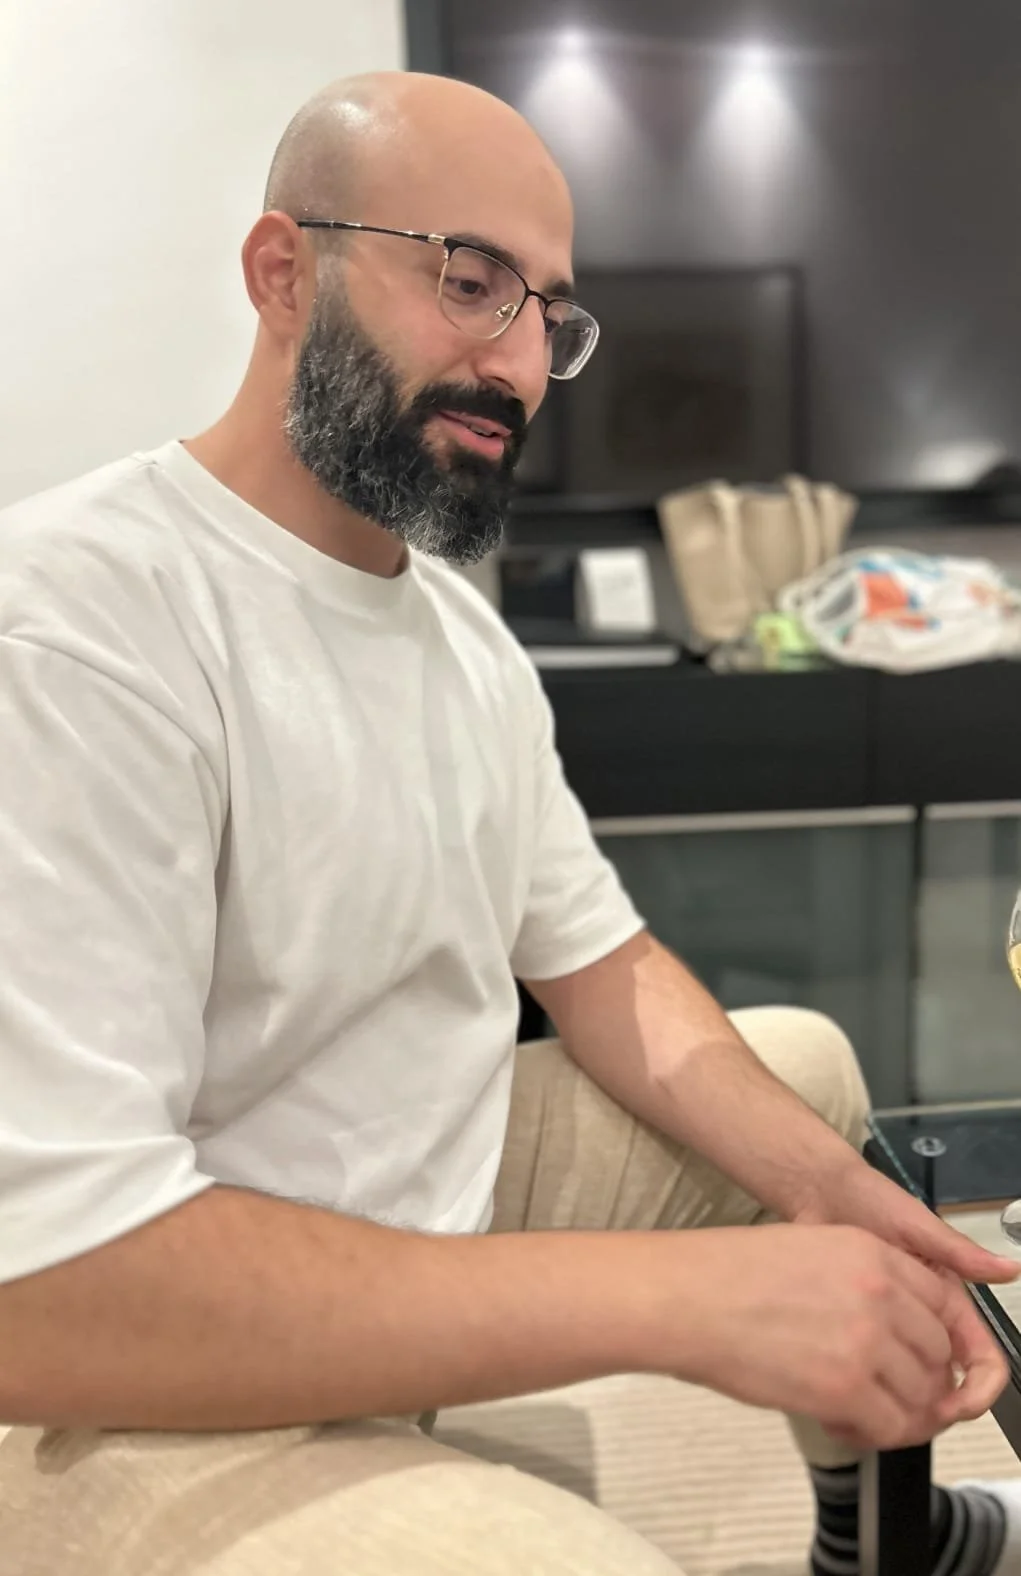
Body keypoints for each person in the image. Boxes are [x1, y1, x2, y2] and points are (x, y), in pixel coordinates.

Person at [0, 69, 1018, 1576]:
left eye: (550, 312)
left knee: (798, 1080)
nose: (524, 365)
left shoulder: (464, 645)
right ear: (286, 272)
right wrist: (681, 1306)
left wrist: (837, 1194)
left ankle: (886, 1532)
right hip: (118, 1385)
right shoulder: (75, 620)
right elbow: (44, 1287)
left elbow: (601, 966)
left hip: (421, 1198)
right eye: (471, 282)